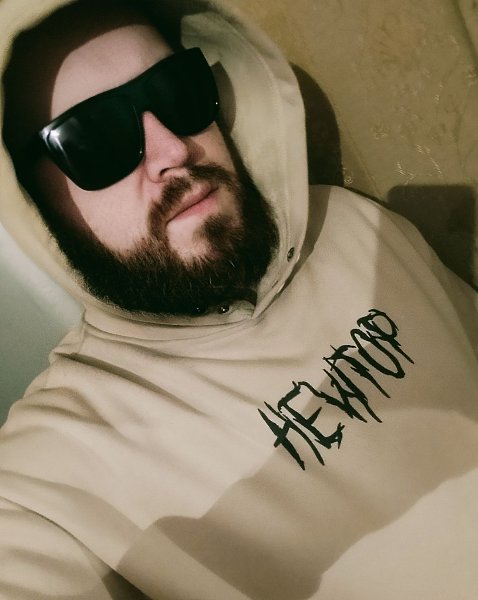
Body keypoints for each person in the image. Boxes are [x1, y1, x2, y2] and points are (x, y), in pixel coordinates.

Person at [0, 0, 477, 598]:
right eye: (96, 135)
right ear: (31, 198)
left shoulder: (351, 223)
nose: (173, 151)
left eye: (177, 89)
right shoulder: (52, 477)